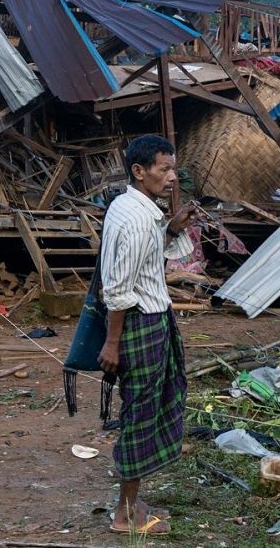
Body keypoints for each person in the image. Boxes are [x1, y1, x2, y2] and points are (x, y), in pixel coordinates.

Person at [97, 135, 198, 536]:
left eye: (173, 168)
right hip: (142, 325)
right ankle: (124, 516)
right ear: (139, 172)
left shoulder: (129, 207)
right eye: (164, 169)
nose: (172, 177)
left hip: (146, 321)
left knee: (141, 410)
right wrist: (111, 342)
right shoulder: (138, 219)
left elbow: (142, 261)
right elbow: (119, 290)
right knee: (140, 416)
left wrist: (171, 229)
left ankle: (130, 502)